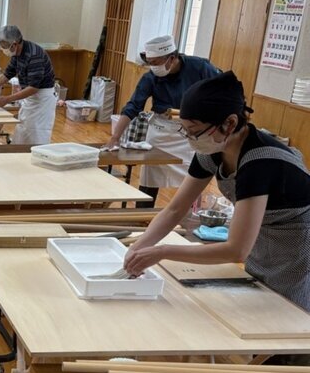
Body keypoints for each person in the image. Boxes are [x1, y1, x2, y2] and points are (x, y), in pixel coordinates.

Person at [124, 71, 310, 313]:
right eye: (185, 130)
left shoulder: (259, 161)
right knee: (258, 302)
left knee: (285, 315)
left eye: (195, 131)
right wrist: (138, 248)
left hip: (297, 241)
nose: (190, 138)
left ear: (229, 123)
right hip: (263, 233)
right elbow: (175, 209)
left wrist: (162, 251)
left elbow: (236, 250)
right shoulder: (212, 150)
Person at [105, 35, 222, 207]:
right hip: (161, 129)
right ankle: (142, 214)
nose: (153, 67)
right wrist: (115, 137)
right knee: (150, 177)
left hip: (191, 132)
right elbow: (132, 106)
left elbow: (221, 87)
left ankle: (189, 216)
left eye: (156, 62)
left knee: (193, 177)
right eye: (150, 62)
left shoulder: (199, 67)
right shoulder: (150, 78)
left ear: (172, 58)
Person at [0, 25, 57, 145]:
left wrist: (7, 99)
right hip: (30, 98)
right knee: (22, 134)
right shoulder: (16, 54)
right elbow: (5, 76)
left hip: (42, 100)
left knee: (37, 137)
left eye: (4, 46)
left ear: (15, 43)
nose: (3, 49)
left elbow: (33, 88)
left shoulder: (34, 55)